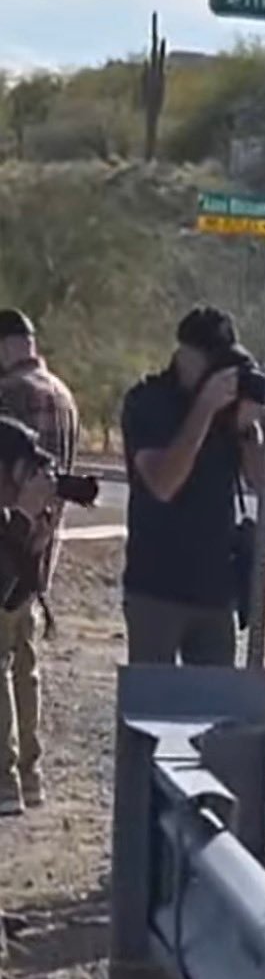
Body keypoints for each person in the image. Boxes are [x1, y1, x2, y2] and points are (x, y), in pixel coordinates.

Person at [120, 306, 265, 665]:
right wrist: (203, 408)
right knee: (150, 709)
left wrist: (247, 429)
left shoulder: (227, 414)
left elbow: (261, 481)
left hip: (214, 588)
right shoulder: (148, 401)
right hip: (156, 586)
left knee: (211, 708)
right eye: (213, 362)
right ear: (184, 355)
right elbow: (164, 483)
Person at [0, 310, 77, 815]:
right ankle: (30, 773)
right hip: (42, 551)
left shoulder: (10, 398)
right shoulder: (64, 396)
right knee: (23, 661)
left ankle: (3, 778)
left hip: (9, 540)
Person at [0, 417, 61, 816]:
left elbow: (18, 585)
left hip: (15, 603)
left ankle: (18, 775)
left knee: (20, 662)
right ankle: (15, 777)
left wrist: (35, 532)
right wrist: (22, 518)